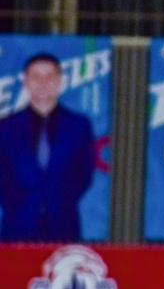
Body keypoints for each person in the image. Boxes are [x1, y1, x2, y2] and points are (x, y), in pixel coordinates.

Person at [0, 53, 94, 241]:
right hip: (17, 225)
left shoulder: (78, 126)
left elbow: (84, 174)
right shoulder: (6, 127)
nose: (43, 83)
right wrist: (17, 202)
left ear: (60, 81)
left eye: (49, 77)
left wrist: (59, 199)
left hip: (63, 225)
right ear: (25, 82)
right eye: (36, 77)